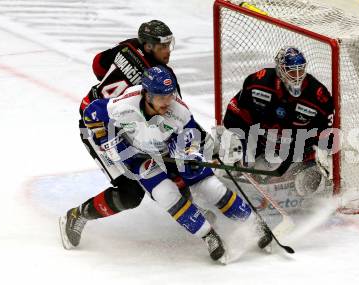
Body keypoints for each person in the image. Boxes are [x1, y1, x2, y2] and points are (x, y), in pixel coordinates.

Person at [60, 66, 273, 262]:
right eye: (161, 96)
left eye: (169, 95)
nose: (167, 101)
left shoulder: (179, 112)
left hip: (170, 148)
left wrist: (191, 157)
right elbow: (92, 113)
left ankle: (254, 223)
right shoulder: (124, 105)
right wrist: (108, 141)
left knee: (211, 186)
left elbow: (190, 142)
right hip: (137, 155)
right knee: (164, 194)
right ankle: (208, 236)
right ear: (147, 94)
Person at [69, 20, 186, 249]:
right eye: (162, 46)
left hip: (116, 118)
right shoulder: (161, 75)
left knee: (168, 167)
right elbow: (171, 114)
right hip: (97, 126)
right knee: (129, 193)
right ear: (149, 46)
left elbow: (98, 65)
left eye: (169, 44)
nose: (167, 51)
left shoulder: (128, 46)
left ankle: (193, 210)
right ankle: (77, 215)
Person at [223, 46, 334, 195]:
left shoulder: (318, 96)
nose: (296, 76)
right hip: (261, 144)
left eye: (300, 70)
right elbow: (233, 113)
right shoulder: (259, 82)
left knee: (305, 186)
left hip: (294, 153)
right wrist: (241, 146)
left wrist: (316, 155)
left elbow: (328, 138)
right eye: (291, 71)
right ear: (281, 70)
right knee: (233, 163)